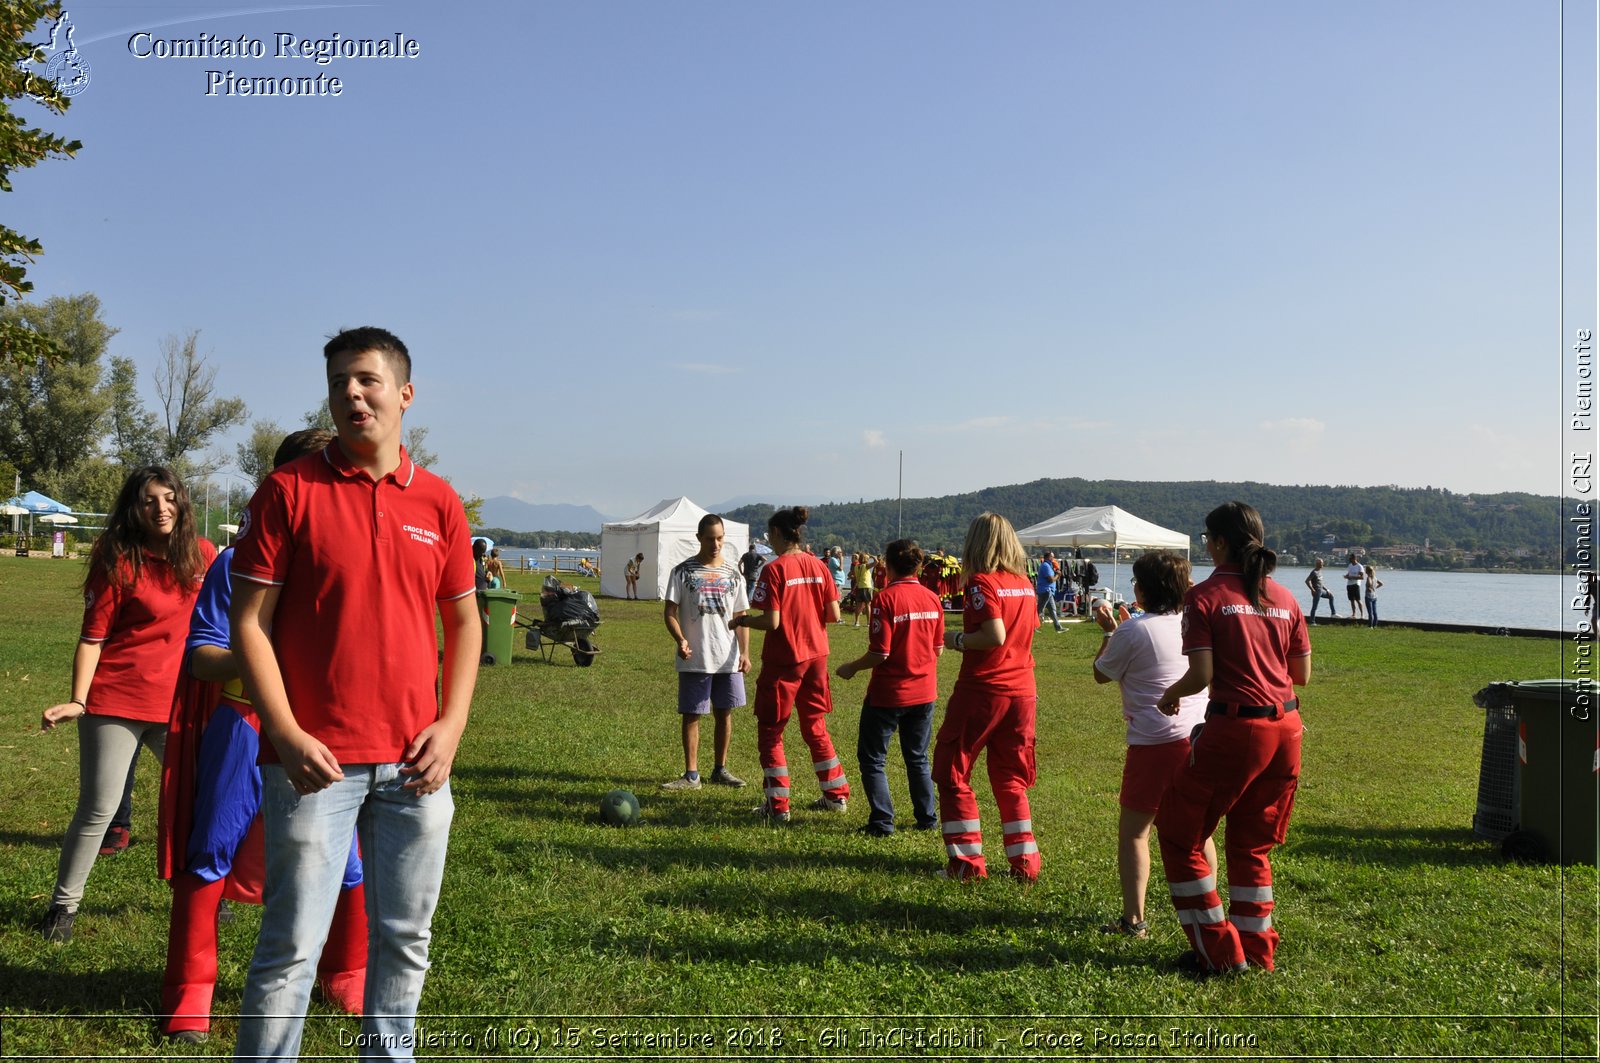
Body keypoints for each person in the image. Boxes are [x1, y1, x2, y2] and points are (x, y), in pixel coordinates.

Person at [230, 326, 480, 1057]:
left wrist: (453, 724)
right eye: (340, 380)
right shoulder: (287, 491)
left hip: (416, 763)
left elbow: (464, 622)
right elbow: (249, 622)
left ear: (405, 393)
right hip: (314, 763)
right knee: (289, 949)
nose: (351, 393)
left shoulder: (439, 502)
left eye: (367, 379)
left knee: (405, 940)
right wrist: (283, 731)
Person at [155, 429, 365, 1045]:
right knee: (212, 848)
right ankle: (189, 992)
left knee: (344, 857)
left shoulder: (347, 557)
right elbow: (201, 656)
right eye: (321, 472)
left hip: (326, 731)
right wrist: (263, 664)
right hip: (243, 725)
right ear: (283, 485)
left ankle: (346, 971)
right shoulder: (235, 561)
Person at [38, 466, 217, 944]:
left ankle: (206, 899)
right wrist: (79, 700)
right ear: (133, 509)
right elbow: (92, 638)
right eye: (148, 500)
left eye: (169, 498)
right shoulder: (118, 559)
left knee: (203, 802)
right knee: (99, 808)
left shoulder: (202, 555)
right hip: (116, 701)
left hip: (179, 705)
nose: (161, 508)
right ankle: (62, 909)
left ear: (182, 503)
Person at [1155, 501, 1310, 977]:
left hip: (1237, 729)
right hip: (1287, 729)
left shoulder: (1205, 597)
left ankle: (1219, 954)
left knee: (1180, 836)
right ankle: (1257, 951)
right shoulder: (1284, 597)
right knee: (1251, 845)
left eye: (1206, 539)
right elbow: (1301, 673)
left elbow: (1200, 676)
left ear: (1219, 543)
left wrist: (1170, 694)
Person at [1091, 551, 1216, 938]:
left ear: (1141, 590)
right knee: (1199, 832)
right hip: (1199, 736)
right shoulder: (1195, 622)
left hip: (1155, 742)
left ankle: (1134, 920)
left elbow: (1101, 674)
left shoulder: (1134, 630)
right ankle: (1211, 908)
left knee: (1135, 831)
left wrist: (1112, 631)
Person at [933, 512, 1041, 881]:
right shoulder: (1024, 583)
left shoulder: (982, 583)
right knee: (1012, 777)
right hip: (1023, 691)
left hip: (984, 688)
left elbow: (994, 635)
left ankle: (966, 865)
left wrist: (953, 639)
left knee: (953, 771)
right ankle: (1025, 863)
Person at [731, 507, 851, 822]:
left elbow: (772, 621)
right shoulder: (819, 565)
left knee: (771, 731)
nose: (769, 540)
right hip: (817, 657)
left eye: (770, 534)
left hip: (785, 658)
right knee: (815, 727)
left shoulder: (775, 569)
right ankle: (836, 796)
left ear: (779, 534)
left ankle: (778, 805)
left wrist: (743, 619)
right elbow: (834, 615)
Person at [835, 539, 942, 836]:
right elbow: (939, 649)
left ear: (890, 566)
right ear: (919, 566)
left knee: (872, 759)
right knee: (918, 757)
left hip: (889, 694)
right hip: (924, 692)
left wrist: (851, 668)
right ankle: (927, 819)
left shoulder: (885, 599)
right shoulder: (932, 599)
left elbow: (880, 653)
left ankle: (882, 822)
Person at [661, 514, 750, 791]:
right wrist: (680, 639)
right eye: (710, 538)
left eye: (720, 538)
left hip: (728, 658)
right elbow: (670, 612)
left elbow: (741, 615)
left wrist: (745, 653)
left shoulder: (735, 575)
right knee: (692, 714)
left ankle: (720, 769)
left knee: (725, 713)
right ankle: (691, 775)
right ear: (699, 538)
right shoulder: (682, 572)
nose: (716, 544)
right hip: (696, 657)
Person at [1035, 551, 1063, 633]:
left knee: (1053, 610)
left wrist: (1056, 571)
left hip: (1049, 591)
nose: (1053, 559)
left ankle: (1058, 627)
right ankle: (1033, 626)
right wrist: (1058, 575)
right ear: (1048, 557)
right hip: (1045, 591)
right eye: (1052, 557)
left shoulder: (1049, 566)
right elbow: (1050, 580)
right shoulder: (1045, 566)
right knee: (1040, 609)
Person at [1303, 559, 1336, 624]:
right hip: (1317, 591)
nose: (1323, 564)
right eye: (1321, 563)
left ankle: (1333, 613)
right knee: (1314, 607)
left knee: (1331, 596)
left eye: (1322, 563)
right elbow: (1307, 581)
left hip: (1322, 590)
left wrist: (1327, 590)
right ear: (1318, 564)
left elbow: (1320, 583)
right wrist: (1312, 590)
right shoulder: (1314, 572)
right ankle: (1312, 622)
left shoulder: (1320, 571)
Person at [1344, 552, 1364, 620]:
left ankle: (1362, 615)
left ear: (1355, 558)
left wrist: (1352, 577)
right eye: (1350, 558)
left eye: (1351, 558)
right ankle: (1354, 614)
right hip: (1349, 585)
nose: (1350, 560)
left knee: (1358, 600)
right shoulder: (1350, 565)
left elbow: (1362, 577)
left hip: (1356, 585)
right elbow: (1349, 573)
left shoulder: (1359, 566)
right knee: (1352, 600)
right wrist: (1347, 576)